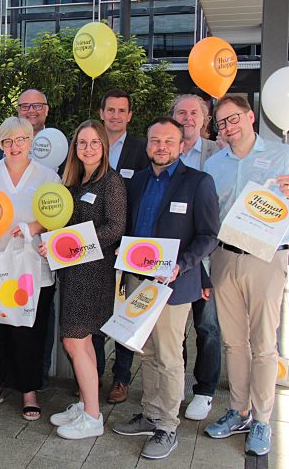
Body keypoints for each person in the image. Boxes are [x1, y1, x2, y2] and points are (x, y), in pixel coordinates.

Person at [203, 96, 289, 456]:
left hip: (266, 259)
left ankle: (263, 420)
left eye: (233, 118)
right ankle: (239, 411)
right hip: (224, 257)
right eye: (221, 122)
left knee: (264, 344)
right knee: (234, 342)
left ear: (250, 116)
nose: (228, 127)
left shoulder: (284, 156)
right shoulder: (214, 163)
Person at [111, 118, 219, 460]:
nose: (161, 147)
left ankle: (168, 426)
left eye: (169, 141)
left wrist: (182, 265)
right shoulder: (137, 181)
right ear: (147, 145)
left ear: (182, 146)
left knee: (170, 356)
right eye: (155, 140)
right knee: (148, 352)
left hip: (173, 283)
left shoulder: (198, 182)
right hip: (138, 279)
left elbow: (208, 235)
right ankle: (150, 413)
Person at [0, 116, 60, 421]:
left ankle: (29, 390)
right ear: (0, 144)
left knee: (27, 331)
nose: (14, 146)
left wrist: (35, 226)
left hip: (30, 268)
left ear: (31, 142)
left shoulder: (48, 177)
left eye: (21, 140)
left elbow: (57, 216)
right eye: (7, 141)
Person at [40, 120, 126, 440]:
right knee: (82, 341)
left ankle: (92, 417)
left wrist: (72, 245)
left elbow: (115, 228)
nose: (87, 148)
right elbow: (63, 224)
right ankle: (86, 406)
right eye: (82, 143)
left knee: (74, 341)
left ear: (104, 146)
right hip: (73, 271)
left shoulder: (111, 181)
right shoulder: (75, 182)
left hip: (94, 272)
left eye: (94, 143)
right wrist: (53, 242)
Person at [95, 88, 151, 405]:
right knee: (96, 310)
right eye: (110, 110)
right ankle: (93, 374)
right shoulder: (90, 144)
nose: (115, 115)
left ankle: (121, 377)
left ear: (129, 115)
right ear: (101, 113)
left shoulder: (142, 150)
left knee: (127, 313)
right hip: (94, 244)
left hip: (129, 247)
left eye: (121, 110)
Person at [171, 93, 222, 421]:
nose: (187, 118)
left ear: (205, 119)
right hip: (173, 261)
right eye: (181, 112)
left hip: (206, 256)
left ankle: (204, 390)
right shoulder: (165, 150)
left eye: (194, 113)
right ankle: (176, 386)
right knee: (175, 329)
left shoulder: (219, 154)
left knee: (207, 326)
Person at [0, 89, 52, 164]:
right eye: (25, 106)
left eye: (37, 106)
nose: (31, 110)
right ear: (18, 111)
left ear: (46, 110)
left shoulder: (58, 142)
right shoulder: (3, 141)